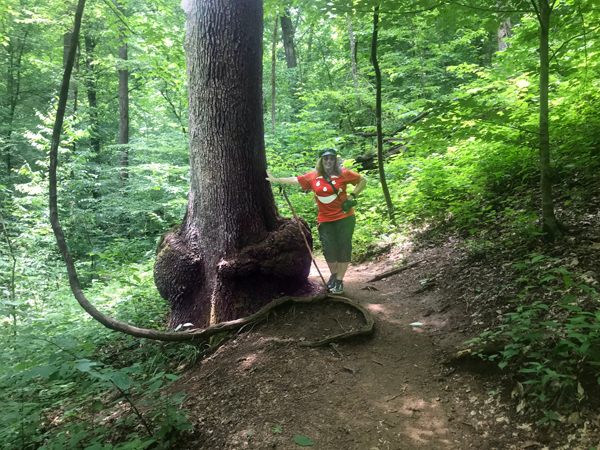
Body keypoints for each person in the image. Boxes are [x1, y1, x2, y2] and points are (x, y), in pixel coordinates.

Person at [266, 148, 367, 294]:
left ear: (335, 160)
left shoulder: (343, 173)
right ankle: (333, 275)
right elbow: (296, 180)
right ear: (321, 161)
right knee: (328, 249)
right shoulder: (314, 176)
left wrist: (352, 196)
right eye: (325, 159)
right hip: (325, 219)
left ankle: (339, 281)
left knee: (344, 248)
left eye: (331, 158)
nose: (329, 161)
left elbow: (362, 180)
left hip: (345, 217)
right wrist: (277, 180)